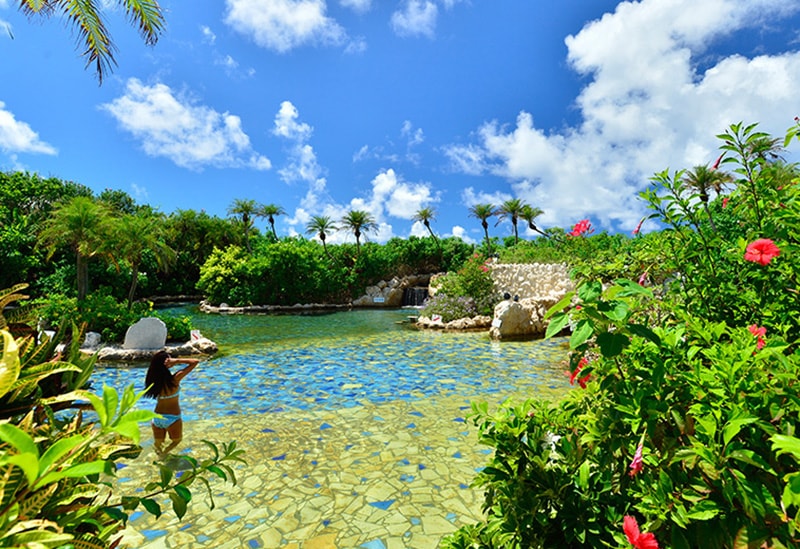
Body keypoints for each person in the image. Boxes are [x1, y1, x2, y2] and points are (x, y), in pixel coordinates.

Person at [144, 351, 199, 456]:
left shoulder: (153, 381)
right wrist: (177, 361)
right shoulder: (174, 380)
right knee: (176, 441)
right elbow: (195, 362)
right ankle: (165, 454)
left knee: (158, 443)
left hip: (157, 417)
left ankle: (159, 455)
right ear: (167, 363)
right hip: (172, 418)